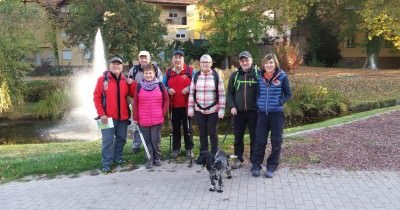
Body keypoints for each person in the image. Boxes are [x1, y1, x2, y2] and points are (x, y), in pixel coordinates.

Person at [250, 53, 292, 178]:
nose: (269, 65)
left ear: (275, 64)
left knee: (276, 142)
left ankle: (271, 166)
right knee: (260, 141)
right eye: (267, 63)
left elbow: (288, 94)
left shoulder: (282, 76)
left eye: (271, 62)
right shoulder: (260, 77)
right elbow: (257, 93)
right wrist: (259, 103)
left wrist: (279, 102)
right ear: (263, 64)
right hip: (262, 114)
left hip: (276, 115)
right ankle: (256, 165)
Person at [93, 56, 135, 173]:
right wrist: (101, 114)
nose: (116, 66)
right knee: (107, 140)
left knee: (121, 139)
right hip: (106, 118)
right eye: (113, 64)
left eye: (118, 64)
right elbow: (96, 97)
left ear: (122, 67)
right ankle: (107, 162)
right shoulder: (102, 79)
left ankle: (118, 157)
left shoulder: (125, 80)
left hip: (123, 117)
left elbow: (134, 94)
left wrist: (132, 83)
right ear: (109, 66)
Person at [187, 54, 226, 160]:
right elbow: (191, 93)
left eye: (207, 62)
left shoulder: (216, 76)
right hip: (199, 110)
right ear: (200, 64)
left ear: (211, 64)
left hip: (213, 110)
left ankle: (214, 155)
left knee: (213, 133)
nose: (205, 64)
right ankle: (204, 155)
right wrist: (190, 109)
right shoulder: (196, 76)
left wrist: (221, 110)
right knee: (202, 133)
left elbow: (222, 94)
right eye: (203, 62)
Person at [226, 51, 259, 169]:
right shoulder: (234, 76)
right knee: (237, 137)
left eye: (247, 60)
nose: (245, 62)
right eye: (242, 60)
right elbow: (229, 93)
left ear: (251, 60)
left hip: (254, 112)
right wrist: (232, 106)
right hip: (238, 112)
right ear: (240, 62)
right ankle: (237, 159)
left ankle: (254, 160)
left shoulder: (258, 74)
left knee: (254, 137)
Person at [133, 64, 169, 169]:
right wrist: (135, 117)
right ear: (143, 74)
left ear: (154, 74)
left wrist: (163, 112)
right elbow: (135, 102)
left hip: (157, 119)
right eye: (146, 73)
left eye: (150, 73)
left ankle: (157, 157)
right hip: (143, 119)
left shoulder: (160, 85)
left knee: (155, 140)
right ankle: (149, 158)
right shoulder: (139, 86)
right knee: (147, 141)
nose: (148, 75)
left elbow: (166, 100)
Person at [127, 50, 163, 154]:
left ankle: (154, 148)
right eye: (141, 57)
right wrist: (131, 102)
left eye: (145, 57)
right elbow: (128, 86)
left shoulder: (156, 69)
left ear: (149, 58)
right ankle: (136, 144)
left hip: (152, 103)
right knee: (137, 124)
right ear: (138, 59)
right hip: (138, 102)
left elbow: (161, 86)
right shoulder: (133, 70)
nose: (143, 59)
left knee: (153, 126)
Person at [163, 50, 194, 159]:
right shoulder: (168, 73)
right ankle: (176, 149)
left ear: (183, 59)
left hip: (187, 106)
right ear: (172, 60)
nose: (177, 59)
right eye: (175, 57)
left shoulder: (190, 71)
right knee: (175, 129)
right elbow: (162, 87)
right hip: (173, 106)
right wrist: (168, 89)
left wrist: (189, 88)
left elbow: (197, 84)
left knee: (188, 129)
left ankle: (189, 149)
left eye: (180, 57)